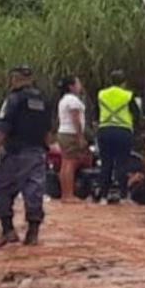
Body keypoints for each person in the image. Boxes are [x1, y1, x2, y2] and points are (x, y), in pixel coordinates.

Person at [0, 65, 52, 248]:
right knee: (34, 191)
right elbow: (49, 131)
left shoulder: (13, 99)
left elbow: (3, 127)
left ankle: (8, 231)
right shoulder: (43, 100)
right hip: (37, 153)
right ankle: (32, 234)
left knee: (1, 190)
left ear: (15, 79)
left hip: (15, 153)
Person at [96, 69, 140, 204]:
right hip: (123, 131)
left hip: (105, 130)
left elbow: (96, 112)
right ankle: (123, 196)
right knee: (122, 163)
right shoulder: (128, 95)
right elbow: (136, 113)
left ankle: (103, 196)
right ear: (124, 82)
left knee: (106, 163)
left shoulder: (101, 94)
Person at [55, 75, 88, 203]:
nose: (80, 86)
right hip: (71, 133)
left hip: (63, 132)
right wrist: (80, 136)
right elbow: (76, 119)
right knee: (70, 163)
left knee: (65, 163)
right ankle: (69, 194)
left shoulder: (63, 100)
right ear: (71, 86)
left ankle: (65, 193)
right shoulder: (73, 100)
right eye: (78, 83)